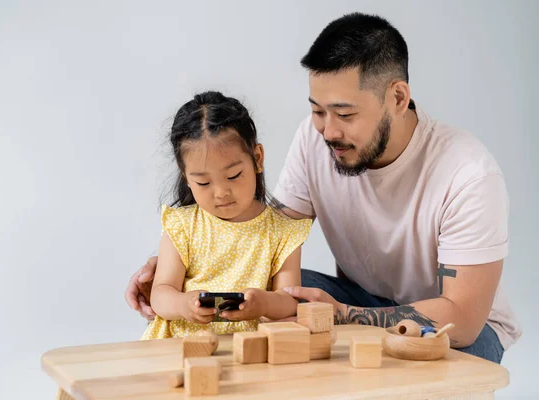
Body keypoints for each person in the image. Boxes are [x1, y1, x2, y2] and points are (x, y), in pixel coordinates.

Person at [127, 13, 521, 362]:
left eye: (345, 114)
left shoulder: (467, 174)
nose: (328, 131)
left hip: (460, 325)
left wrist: (344, 314)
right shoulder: (314, 139)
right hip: (356, 296)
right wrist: (178, 260)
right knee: (268, 286)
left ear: (397, 98)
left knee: (447, 350)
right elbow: (264, 232)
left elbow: (465, 318)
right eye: (317, 110)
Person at [140, 90, 312, 340]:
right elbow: (161, 294)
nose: (221, 193)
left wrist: (264, 303)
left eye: (233, 176)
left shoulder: (282, 232)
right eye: (203, 183)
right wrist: (184, 305)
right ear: (186, 176)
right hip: (183, 344)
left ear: (257, 158)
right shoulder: (182, 226)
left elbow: (290, 299)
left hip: (250, 347)